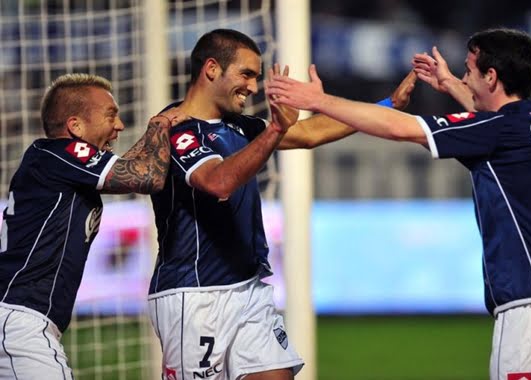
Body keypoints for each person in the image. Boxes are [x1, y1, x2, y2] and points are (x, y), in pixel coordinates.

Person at [267, 28, 531, 380]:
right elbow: (493, 120)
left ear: (492, 76)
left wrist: (319, 101)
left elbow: (400, 128)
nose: (463, 78)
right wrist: (451, 85)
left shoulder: (497, 130)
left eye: (469, 71)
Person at [147, 28, 416, 380]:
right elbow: (218, 182)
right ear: (211, 69)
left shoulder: (238, 125)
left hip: (246, 287)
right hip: (194, 296)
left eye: (257, 77)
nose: (254, 87)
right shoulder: (175, 129)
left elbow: (309, 133)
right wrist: (274, 130)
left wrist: (387, 106)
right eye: (246, 74)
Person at [0, 73, 186, 378]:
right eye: (110, 115)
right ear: (75, 126)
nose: (119, 126)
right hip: (20, 321)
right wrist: (159, 127)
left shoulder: (58, 163)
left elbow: (126, 168)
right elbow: (146, 177)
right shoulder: (60, 152)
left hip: (17, 317)